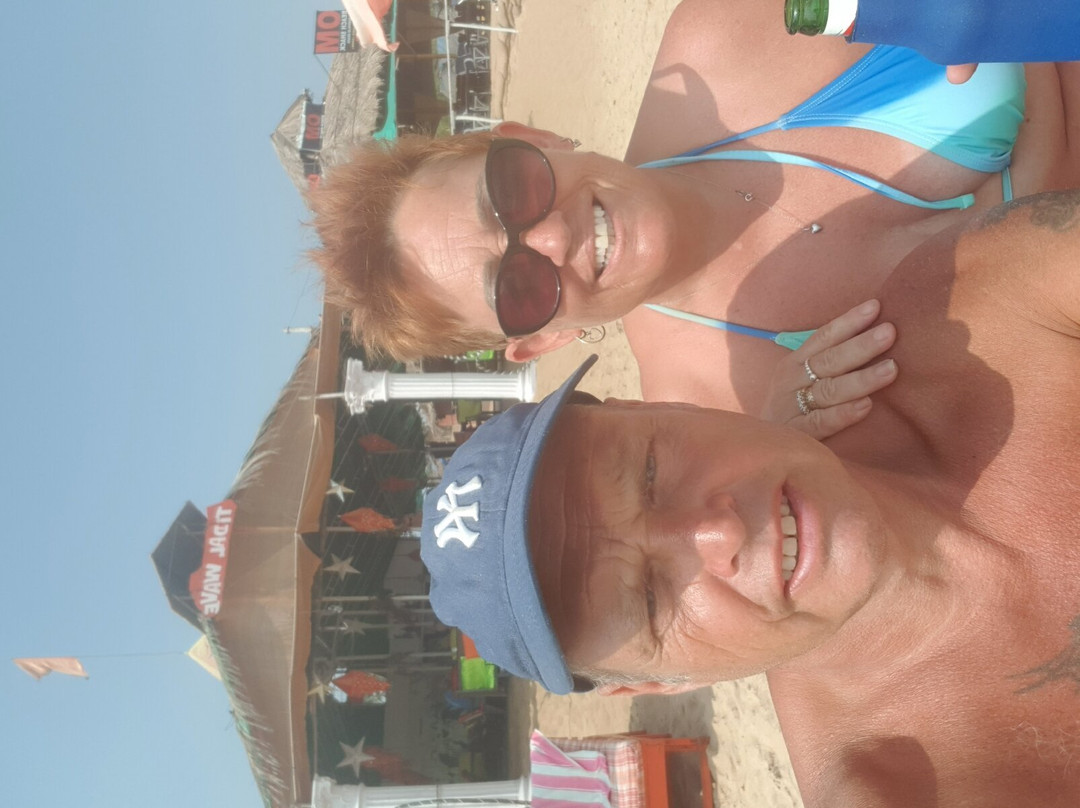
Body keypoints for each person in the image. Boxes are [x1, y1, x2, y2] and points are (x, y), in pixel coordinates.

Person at [419, 189, 1080, 805]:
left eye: (650, 472)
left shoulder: (972, 306)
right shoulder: (910, 788)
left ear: (659, 406)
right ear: (655, 684)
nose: (719, 533)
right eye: (650, 598)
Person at [309, 0, 1079, 420]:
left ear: (528, 138)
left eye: (509, 192)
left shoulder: (725, 37)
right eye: (516, 285)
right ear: (542, 338)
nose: (551, 236)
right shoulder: (731, 413)